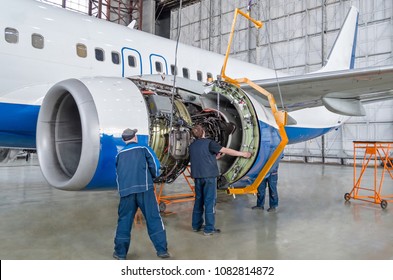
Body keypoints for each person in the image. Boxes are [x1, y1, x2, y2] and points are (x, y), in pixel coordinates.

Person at [113, 128, 169, 260]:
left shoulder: (119, 155)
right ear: (135, 137)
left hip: (126, 192)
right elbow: (155, 166)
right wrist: (155, 177)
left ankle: (120, 254)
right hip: (144, 189)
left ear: (124, 140)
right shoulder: (144, 148)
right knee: (153, 218)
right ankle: (162, 251)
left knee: (124, 222)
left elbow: (118, 175)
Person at [189, 124, 252, 236]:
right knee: (209, 202)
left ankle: (196, 226)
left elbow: (201, 157)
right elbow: (226, 150)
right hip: (209, 177)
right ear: (203, 132)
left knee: (198, 201)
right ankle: (209, 229)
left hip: (197, 177)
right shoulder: (209, 143)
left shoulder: (192, 146)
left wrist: (214, 157)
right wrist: (243, 154)